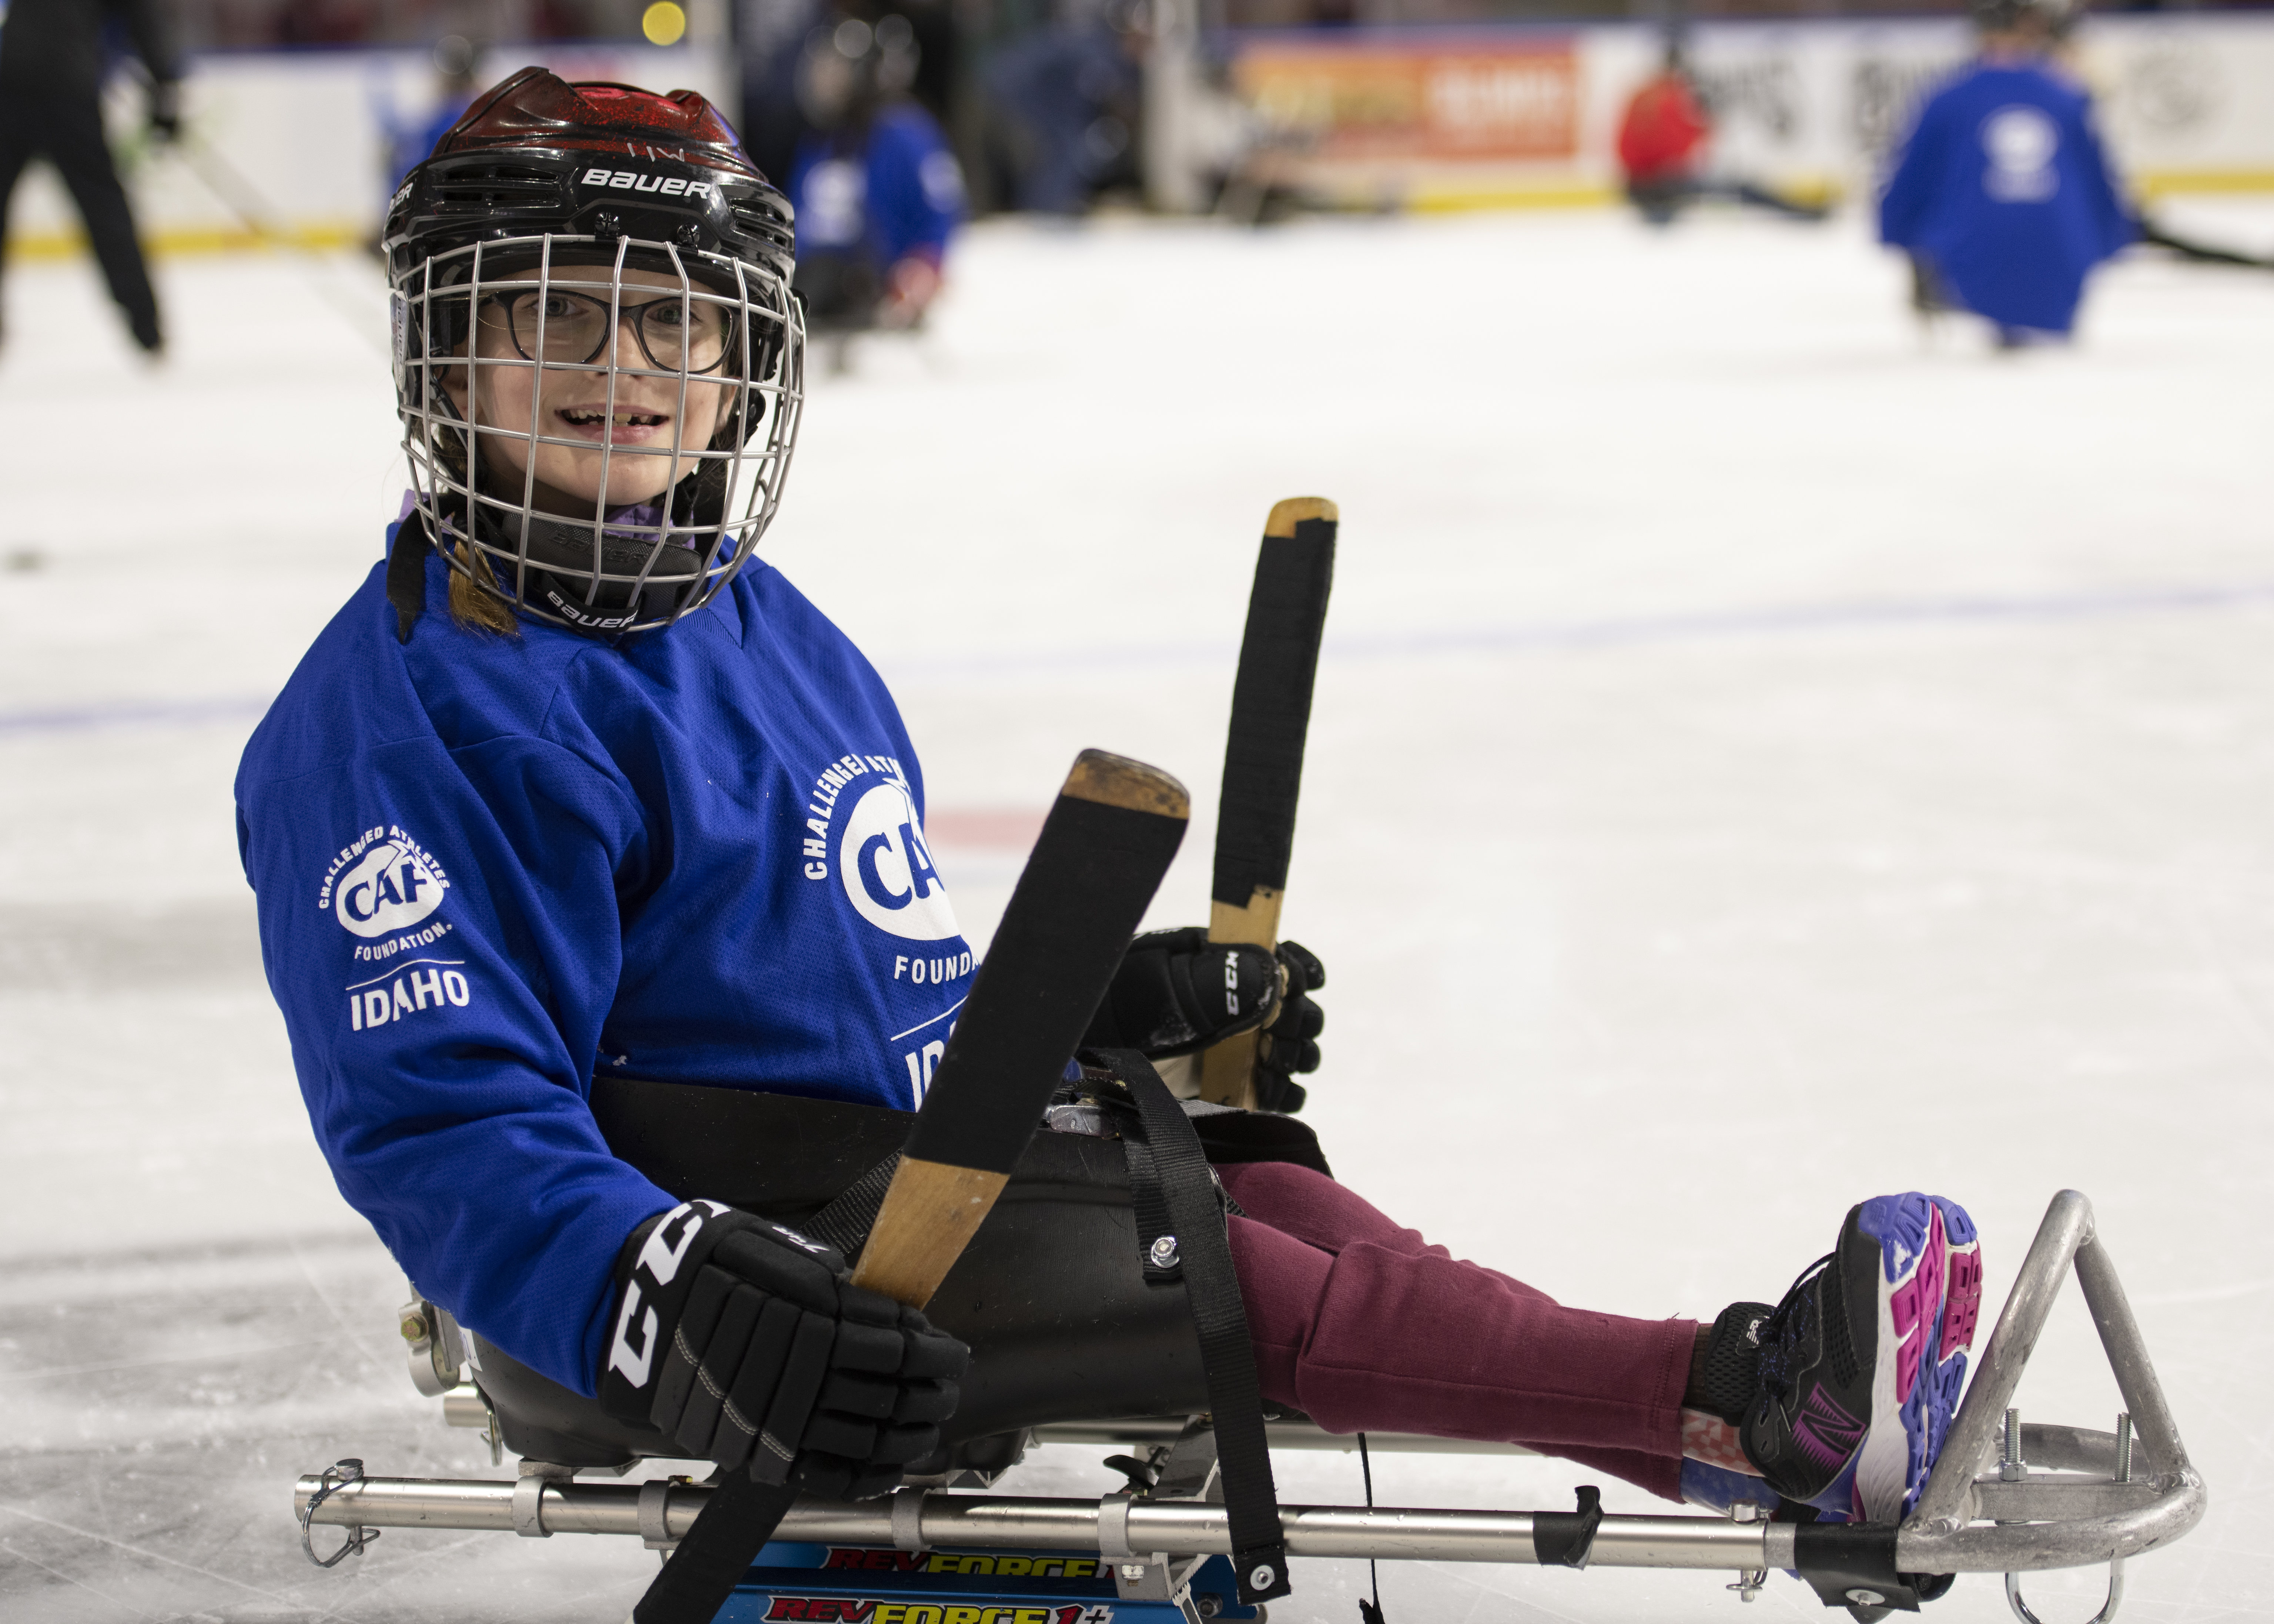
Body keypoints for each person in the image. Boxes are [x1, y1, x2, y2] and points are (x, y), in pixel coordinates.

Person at [234, 68, 1986, 1535]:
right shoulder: (407, 719)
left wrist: (1096, 1011)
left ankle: (1729, 1420)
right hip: (710, 1287)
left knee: (1276, 1201)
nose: (626, 361)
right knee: (1233, 1270)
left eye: (674, 315)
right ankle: (1749, 1399)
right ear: (446, 354)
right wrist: (665, 1292)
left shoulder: (762, 619)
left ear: (740, 361)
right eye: (554, 307)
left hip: (881, 1182)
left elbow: (839, 974)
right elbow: (440, 1122)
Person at [1878, 0, 2132, 346]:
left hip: (1968, 269)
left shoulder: (1946, 98)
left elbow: (1908, 191)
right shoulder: (2065, 97)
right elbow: (2100, 189)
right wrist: (2112, 241)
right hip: (2059, 271)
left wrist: (1900, 240)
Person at [0, 0, 181, 356]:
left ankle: (146, 325)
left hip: (20, 83)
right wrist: (163, 88)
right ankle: (146, 327)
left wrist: (163, 89)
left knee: (105, 210)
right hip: (62, 87)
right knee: (105, 210)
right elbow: (140, 17)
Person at [788, 14, 964, 334]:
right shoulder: (821, 139)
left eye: (836, 70)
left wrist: (923, 267)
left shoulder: (906, 131)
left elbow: (941, 210)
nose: (825, 80)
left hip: (874, 284)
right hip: (813, 284)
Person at [1614, 34, 1826, 227]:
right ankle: (1799, 213)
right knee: (1739, 190)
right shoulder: (1669, 96)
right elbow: (1684, 139)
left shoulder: (1644, 92)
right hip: (1660, 184)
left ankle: (1798, 212)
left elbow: (1628, 144)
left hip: (1646, 184)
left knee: (1736, 189)